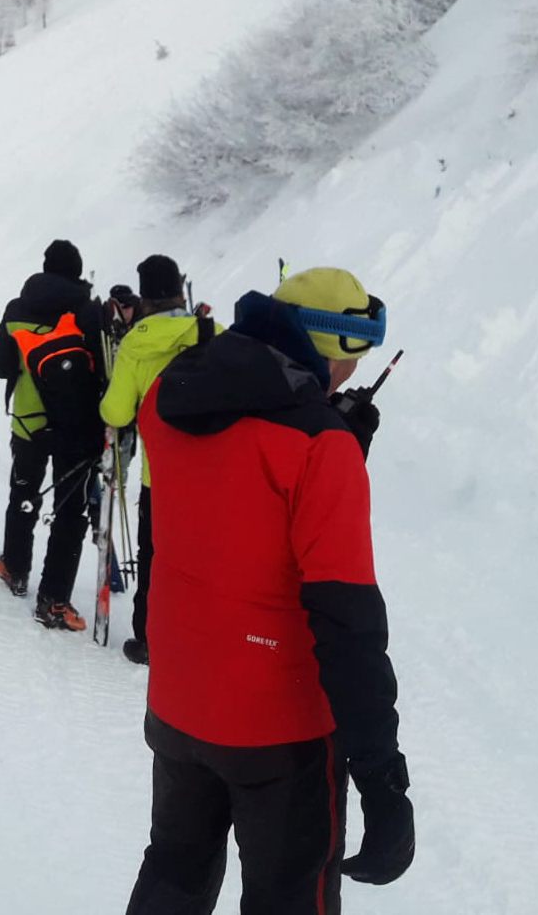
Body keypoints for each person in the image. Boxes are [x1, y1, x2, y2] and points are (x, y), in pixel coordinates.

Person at [124, 267, 409, 915]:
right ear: (328, 345)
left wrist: (330, 434)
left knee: (173, 873)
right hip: (280, 734)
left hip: (179, 704)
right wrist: (384, 781)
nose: (353, 374)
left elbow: (231, 504)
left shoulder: (170, 396)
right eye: (352, 355)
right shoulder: (318, 448)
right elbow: (348, 625)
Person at [97, 258, 220, 667]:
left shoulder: (137, 342)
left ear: (145, 295)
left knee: (155, 557)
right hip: (216, 471)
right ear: (180, 290)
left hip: (162, 473)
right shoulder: (211, 333)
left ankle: (149, 639)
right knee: (207, 554)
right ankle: (205, 634)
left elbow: (116, 412)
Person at [0, 240, 107, 632]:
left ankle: (16, 568)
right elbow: (105, 369)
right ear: (77, 272)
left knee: (24, 495)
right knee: (70, 512)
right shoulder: (88, 312)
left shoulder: (18, 309)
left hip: (29, 422)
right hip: (77, 427)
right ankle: (53, 601)